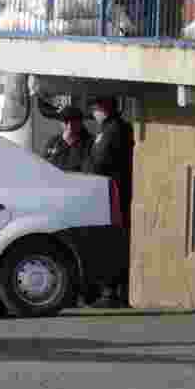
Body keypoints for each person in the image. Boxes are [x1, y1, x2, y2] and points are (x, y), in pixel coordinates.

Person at [84, 96, 135, 307]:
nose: (93, 113)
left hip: (115, 194)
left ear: (104, 108)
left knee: (113, 242)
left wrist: (87, 171)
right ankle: (109, 290)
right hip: (108, 194)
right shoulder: (107, 128)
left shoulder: (114, 129)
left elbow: (100, 161)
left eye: (95, 109)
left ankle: (112, 292)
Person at [42, 105, 94, 172]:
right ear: (61, 123)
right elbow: (44, 166)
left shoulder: (90, 143)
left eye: (74, 121)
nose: (70, 125)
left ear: (81, 122)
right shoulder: (52, 142)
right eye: (66, 121)